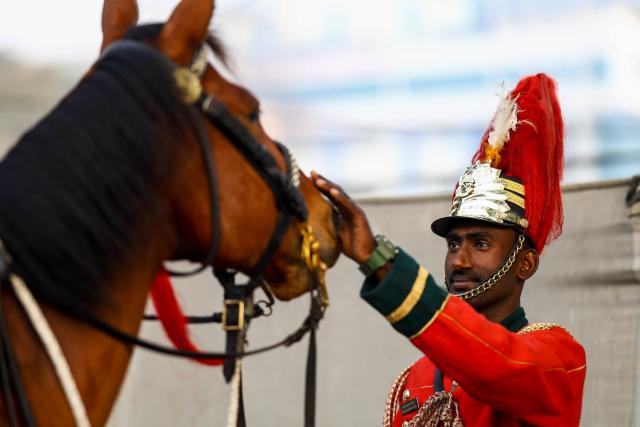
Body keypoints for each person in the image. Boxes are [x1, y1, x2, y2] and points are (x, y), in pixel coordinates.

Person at [312, 73, 586, 426]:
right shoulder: (414, 380)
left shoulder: (557, 356)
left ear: (526, 264)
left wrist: (378, 261)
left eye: (481, 243)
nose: (458, 260)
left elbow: (492, 366)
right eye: (453, 243)